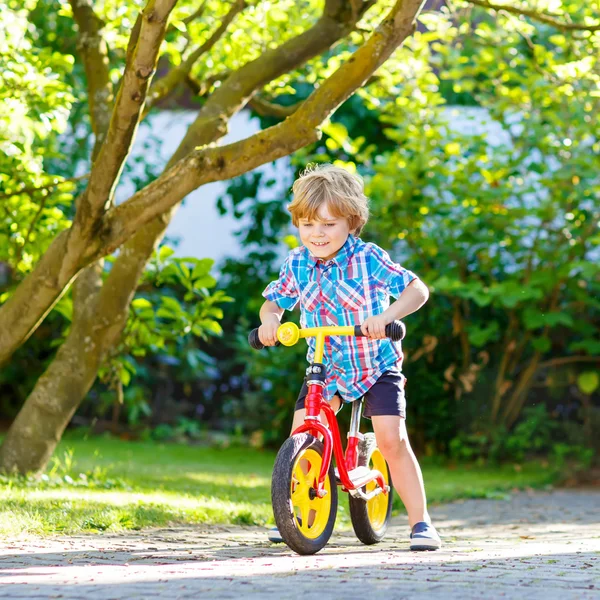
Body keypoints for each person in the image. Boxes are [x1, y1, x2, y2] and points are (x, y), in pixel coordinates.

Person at [257, 164, 441, 551]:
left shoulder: (369, 258)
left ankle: (421, 522)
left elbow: (417, 290)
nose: (316, 234)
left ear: (352, 222)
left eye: (327, 224)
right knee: (301, 433)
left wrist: (387, 317)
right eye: (307, 225)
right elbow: (273, 303)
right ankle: (291, 514)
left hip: (377, 364)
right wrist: (270, 323)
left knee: (391, 440)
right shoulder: (297, 263)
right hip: (327, 366)